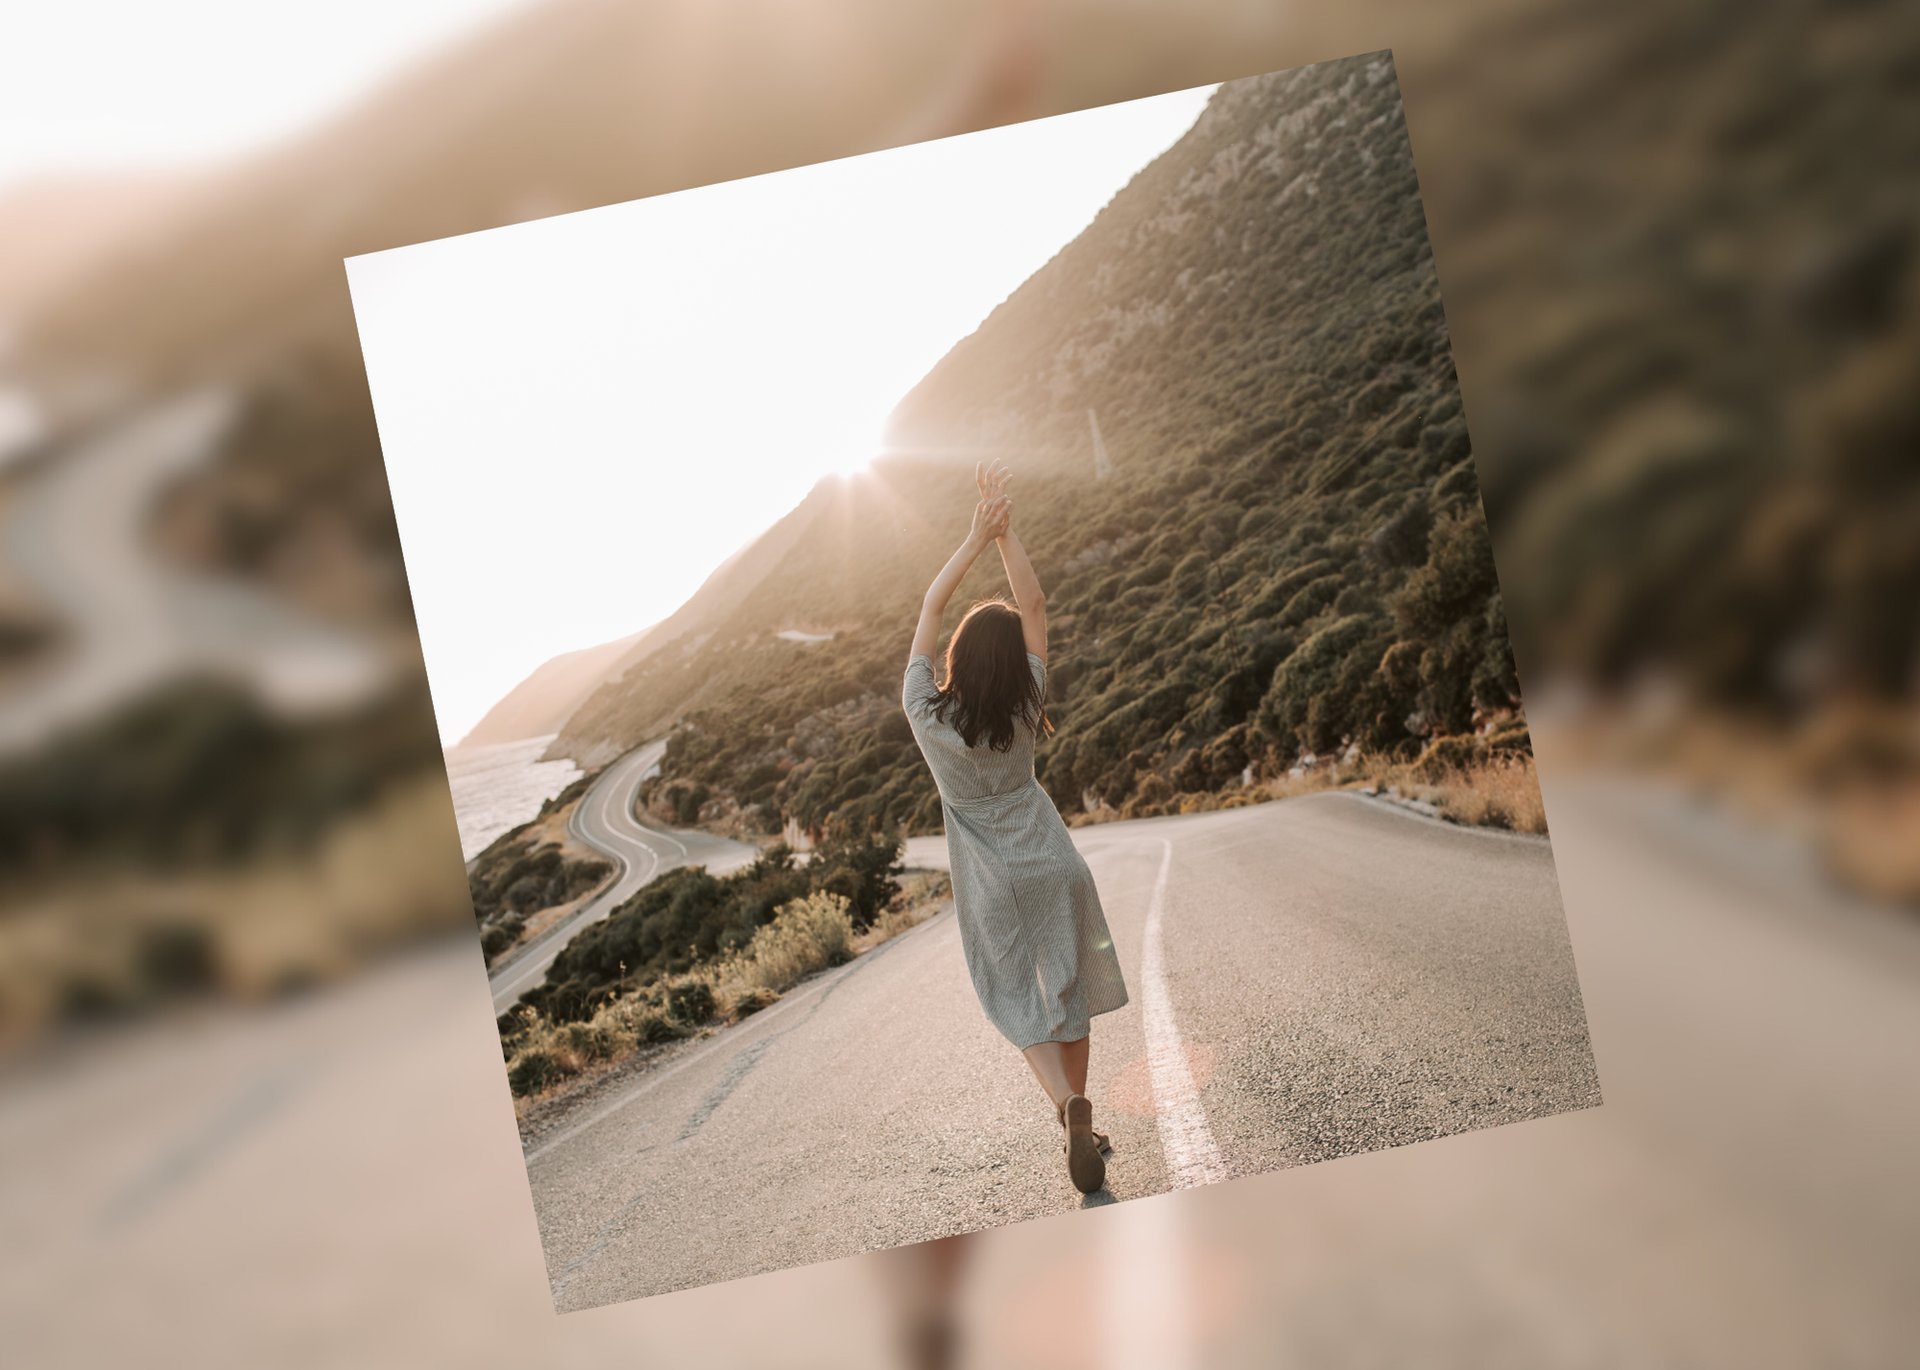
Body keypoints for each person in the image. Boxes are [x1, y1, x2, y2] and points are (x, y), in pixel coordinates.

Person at [901, 459, 1129, 1195]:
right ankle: (1084, 1122)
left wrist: (971, 538)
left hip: (991, 880)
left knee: (1012, 996)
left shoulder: (927, 716)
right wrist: (1008, 532)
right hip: (1053, 862)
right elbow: (1033, 600)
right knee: (1070, 990)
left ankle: (1067, 1108)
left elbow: (930, 610)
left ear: (960, 661)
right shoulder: (1026, 701)